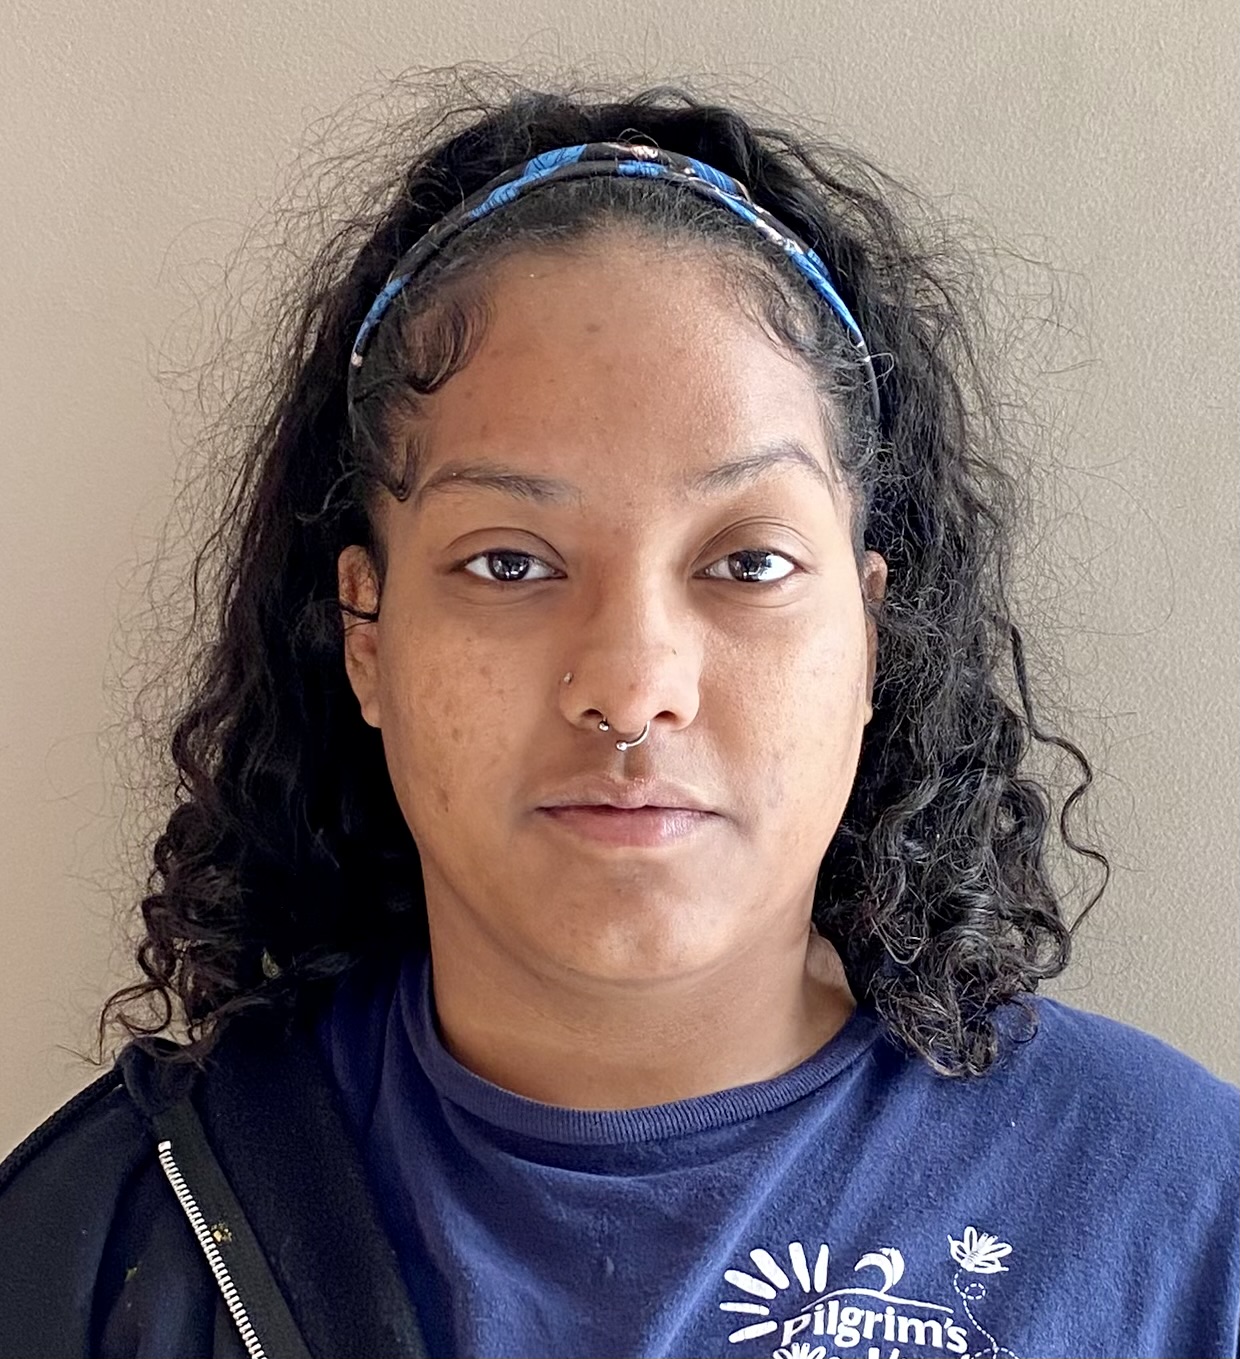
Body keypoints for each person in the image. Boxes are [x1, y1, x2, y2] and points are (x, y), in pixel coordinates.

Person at [1, 72, 1237, 1359]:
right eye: (509, 563)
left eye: (748, 562)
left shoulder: (1185, 1220)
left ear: (870, 634)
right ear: (366, 635)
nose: (633, 684)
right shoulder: (103, 1244)